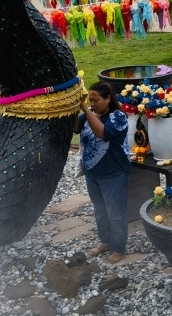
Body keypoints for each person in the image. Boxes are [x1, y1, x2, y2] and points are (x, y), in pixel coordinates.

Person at [76, 82, 130, 263]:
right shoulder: (90, 115)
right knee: (100, 210)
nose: (92, 103)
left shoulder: (118, 117)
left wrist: (84, 107)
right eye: (90, 100)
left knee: (116, 212)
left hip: (113, 173)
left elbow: (102, 133)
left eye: (96, 100)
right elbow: (75, 127)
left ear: (108, 99)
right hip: (93, 172)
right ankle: (106, 242)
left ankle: (119, 248)